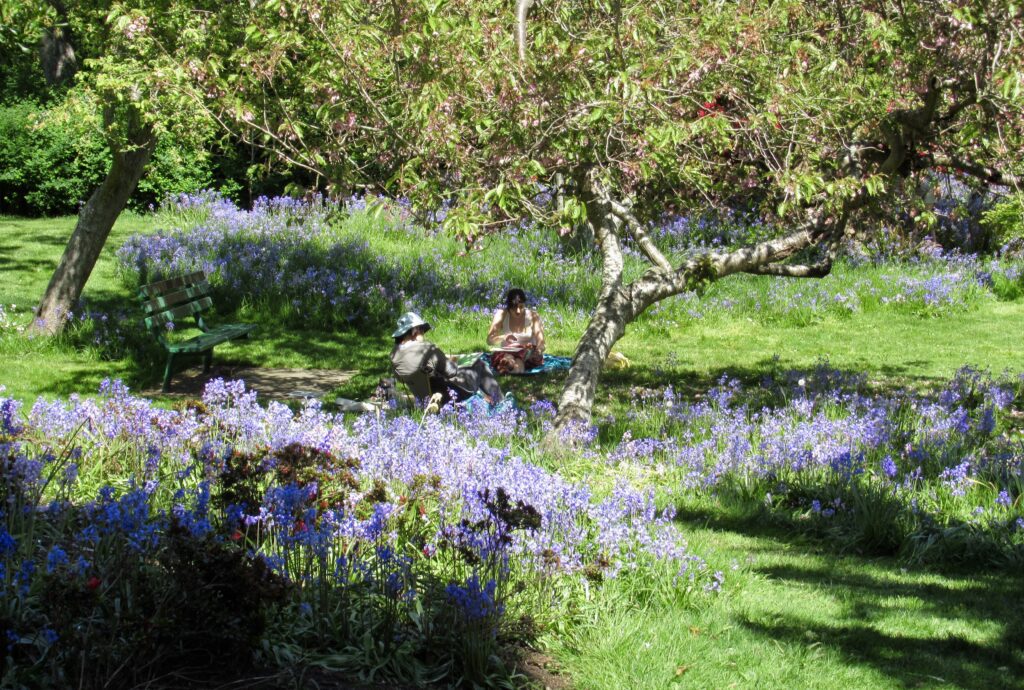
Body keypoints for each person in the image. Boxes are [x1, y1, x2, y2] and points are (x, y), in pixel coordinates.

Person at [390, 311, 502, 407]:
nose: (423, 334)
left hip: (423, 398)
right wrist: (454, 362)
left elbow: (402, 378)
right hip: (448, 397)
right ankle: (501, 403)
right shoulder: (427, 349)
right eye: (422, 330)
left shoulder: (394, 355)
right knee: (480, 364)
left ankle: (491, 401)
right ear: (415, 331)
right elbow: (452, 372)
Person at [487, 288, 545, 372]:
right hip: (508, 351)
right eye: (514, 307)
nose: (518, 311)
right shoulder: (501, 314)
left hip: (527, 353)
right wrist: (504, 337)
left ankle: (511, 369)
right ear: (508, 307)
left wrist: (538, 350)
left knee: (520, 360)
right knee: (508, 356)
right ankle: (507, 364)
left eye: (521, 307)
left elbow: (541, 341)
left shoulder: (533, 316)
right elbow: (489, 340)